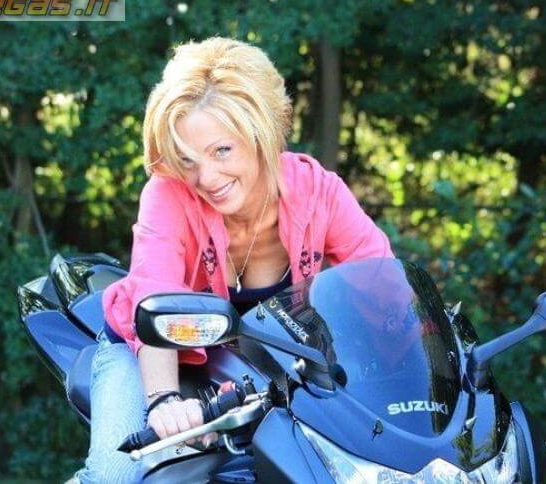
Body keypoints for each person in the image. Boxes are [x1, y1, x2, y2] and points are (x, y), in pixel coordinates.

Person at [71, 36, 394, 483]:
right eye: (187, 159)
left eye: (222, 150)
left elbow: (383, 289)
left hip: (264, 364)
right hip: (144, 349)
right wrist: (164, 401)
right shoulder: (168, 194)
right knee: (116, 476)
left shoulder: (319, 192)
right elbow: (153, 295)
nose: (205, 178)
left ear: (263, 133)